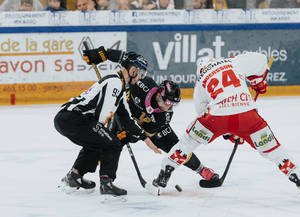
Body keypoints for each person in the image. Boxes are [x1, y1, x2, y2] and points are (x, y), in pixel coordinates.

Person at [152, 52, 300, 201]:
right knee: (273, 150)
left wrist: (226, 131)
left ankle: (164, 173)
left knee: (187, 142)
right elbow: (261, 59)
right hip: (247, 115)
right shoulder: (233, 61)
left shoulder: (201, 80)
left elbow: (201, 112)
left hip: (216, 116)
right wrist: (256, 82)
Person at [82, 46, 221, 184]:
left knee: (177, 148)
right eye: (167, 101)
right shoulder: (143, 83)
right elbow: (128, 60)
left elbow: (144, 133)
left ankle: (202, 170)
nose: (168, 106)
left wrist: (128, 136)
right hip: (123, 113)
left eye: (172, 104)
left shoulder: (164, 116)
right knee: (103, 140)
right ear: (160, 92)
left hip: (146, 129)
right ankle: (79, 173)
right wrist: (104, 54)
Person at [54, 52, 161, 197]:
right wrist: (109, 136)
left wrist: (145, 138)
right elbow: (102, 116)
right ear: (133, 70)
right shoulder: (115, 82)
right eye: (141, 73)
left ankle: (74, 176)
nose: (141, 77)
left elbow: (126, 118)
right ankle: (106, 183)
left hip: (68, 118)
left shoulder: (121, 88)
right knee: (113, 143)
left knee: (97, 142)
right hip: (73, 118)